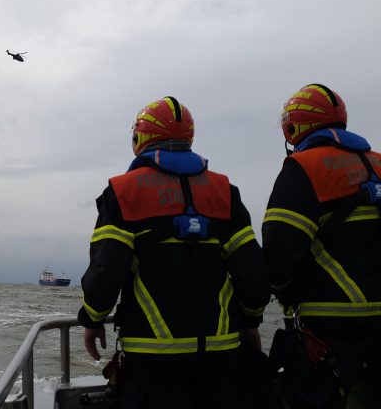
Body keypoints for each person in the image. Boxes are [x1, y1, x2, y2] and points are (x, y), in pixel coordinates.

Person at [78, 97, 271, 408]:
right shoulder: (225, 192)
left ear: (138, 138)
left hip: (152, 359)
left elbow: (106, 269)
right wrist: (251, 321)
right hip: (221, 355)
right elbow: (253, 271)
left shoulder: (124, 192)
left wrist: (92, 318)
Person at [263, 84, 381, 408]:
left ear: (293, 127)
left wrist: (282, 291)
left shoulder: (303, 169)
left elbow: (279, 246)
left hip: (333, 324)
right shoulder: (378, 164)